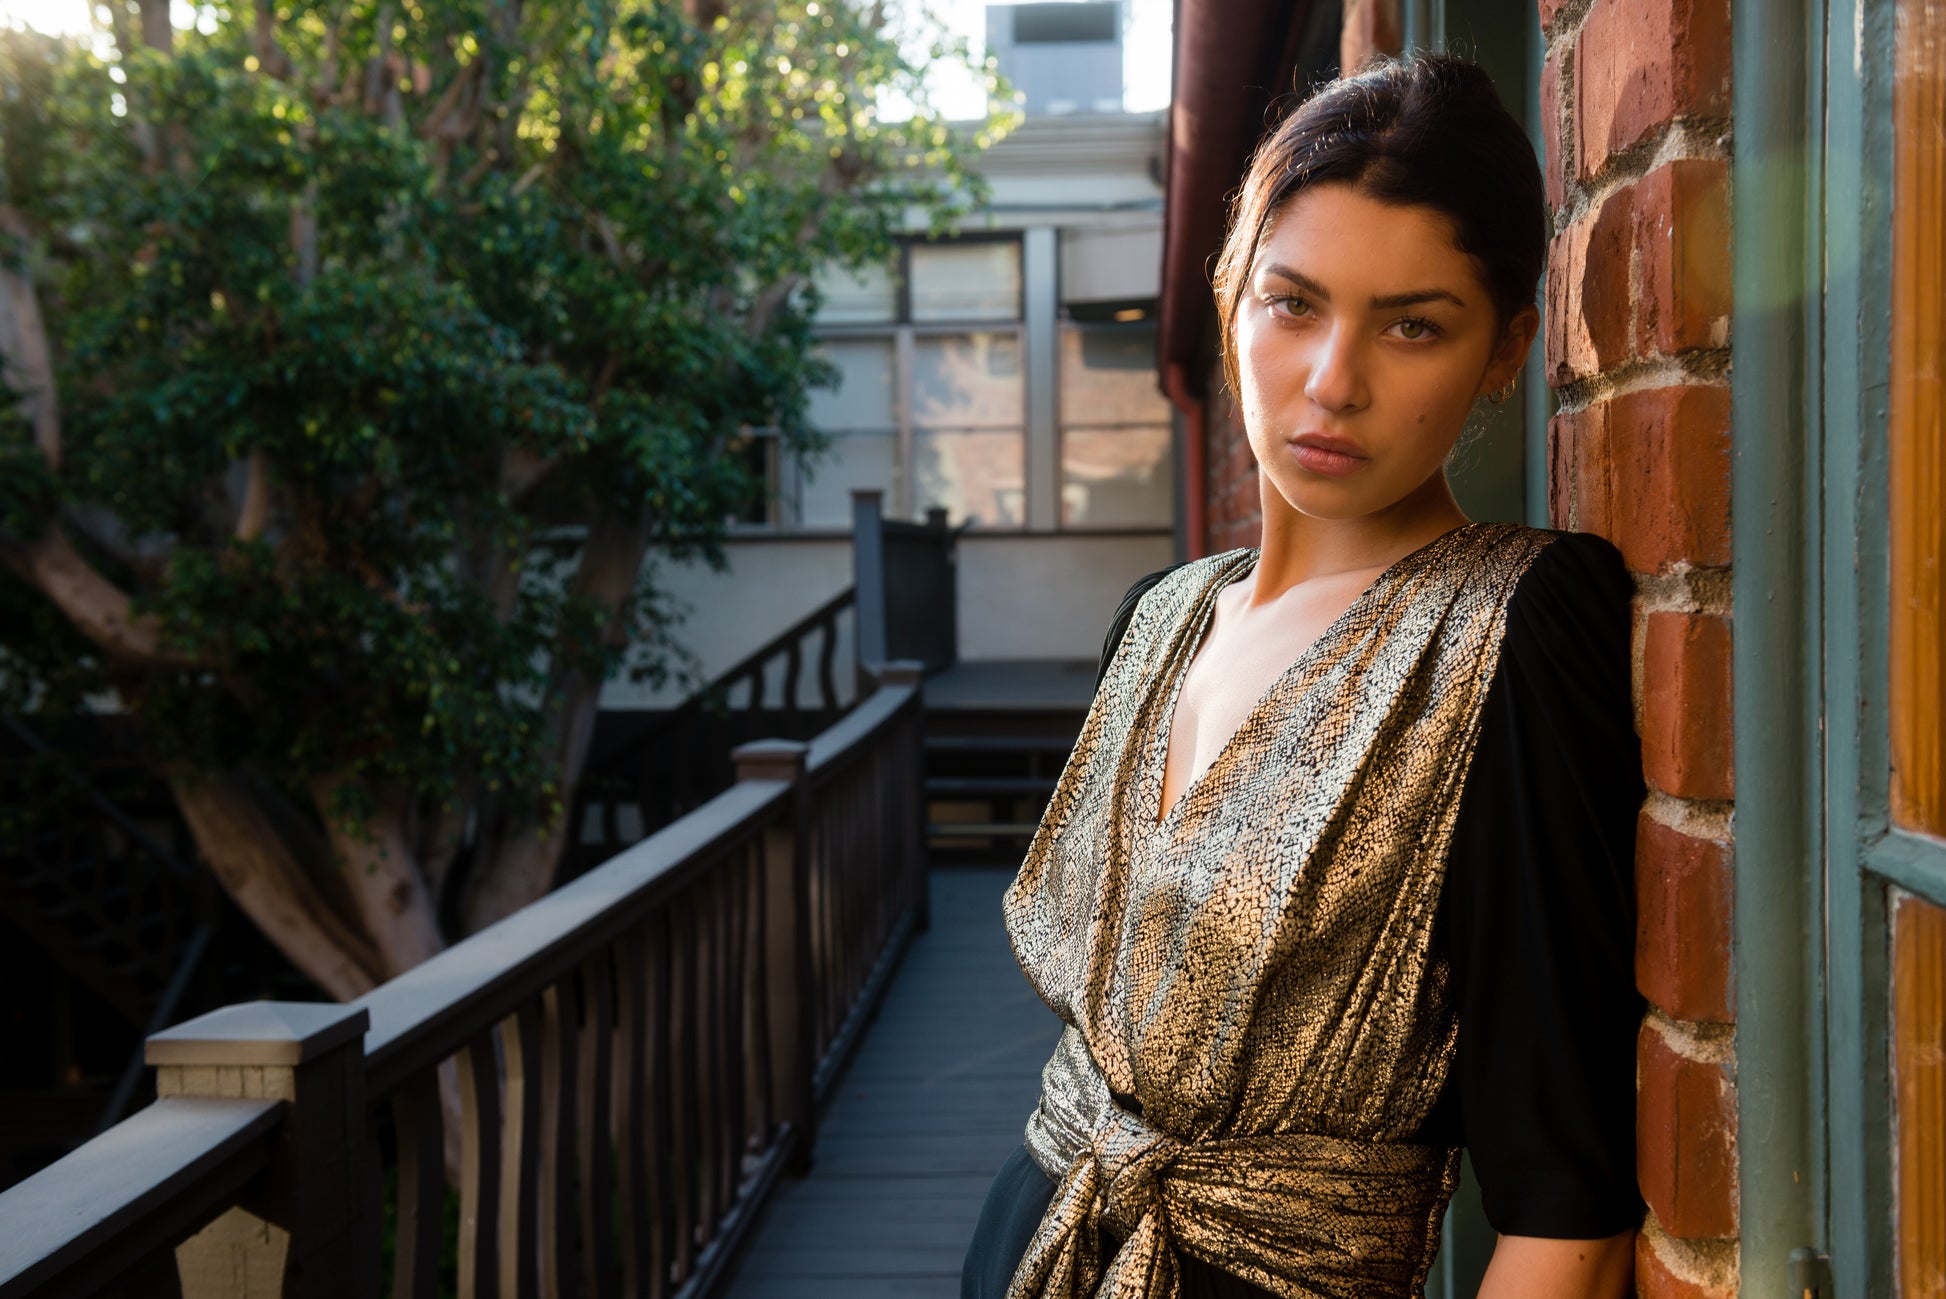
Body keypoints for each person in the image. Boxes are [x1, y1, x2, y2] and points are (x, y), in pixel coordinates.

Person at [960, 52, 1645, 1299]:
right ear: (1229, 298)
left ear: (1504, 354)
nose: (1333, 381)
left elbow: (1567, 1213)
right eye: (1292, 303)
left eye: (1413, 325)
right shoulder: (1160, 615)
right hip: (1035, 1236)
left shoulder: (1516, 631)